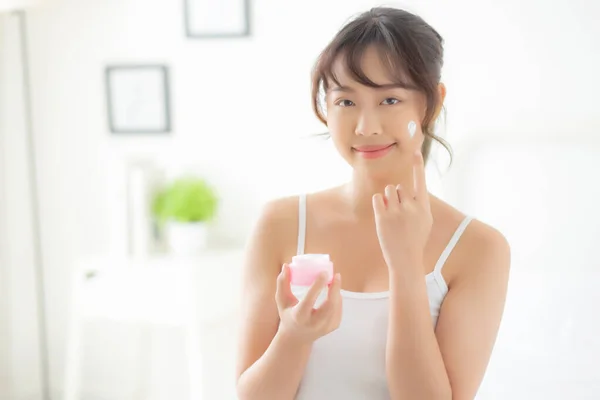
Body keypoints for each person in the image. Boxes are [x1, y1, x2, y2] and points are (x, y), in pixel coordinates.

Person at [235, 6, 510, 400]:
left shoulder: (479, 248)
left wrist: (406, 263)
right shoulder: (279, 223)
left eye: (390, 100)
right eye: (346, 102)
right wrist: (295, 336)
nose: (366, 127)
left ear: (431, 103)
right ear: (325, 107)